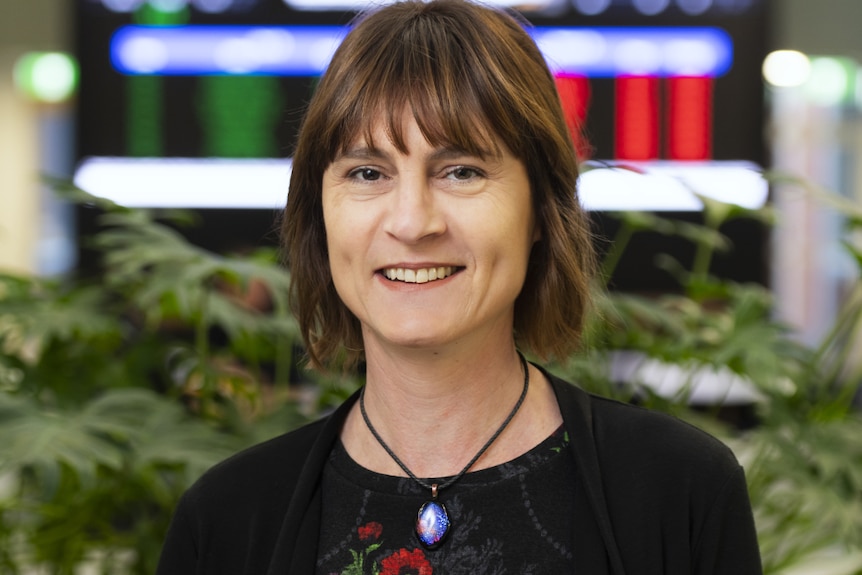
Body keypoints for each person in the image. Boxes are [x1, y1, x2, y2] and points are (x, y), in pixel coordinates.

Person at [156, 0, 763, 573]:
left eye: (461, 171)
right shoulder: (225, 520)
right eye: (368, 172)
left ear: (542, 210)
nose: (413, 222)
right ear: (319, 215)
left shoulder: (681, 491)